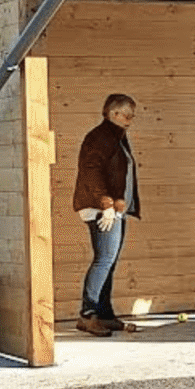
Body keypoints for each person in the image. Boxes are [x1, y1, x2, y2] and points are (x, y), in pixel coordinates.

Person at [72, 93, 141, 337]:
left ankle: (104, 314)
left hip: (114, 209)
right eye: (127, 115)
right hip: (103, 209)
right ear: (113, 114)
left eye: (132, 115)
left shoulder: (116, 137)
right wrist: (106, 204)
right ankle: (88, 315)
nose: (130, 119)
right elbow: (91, 171)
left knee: (108, 261)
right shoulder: (100, 137)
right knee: (104, 259)